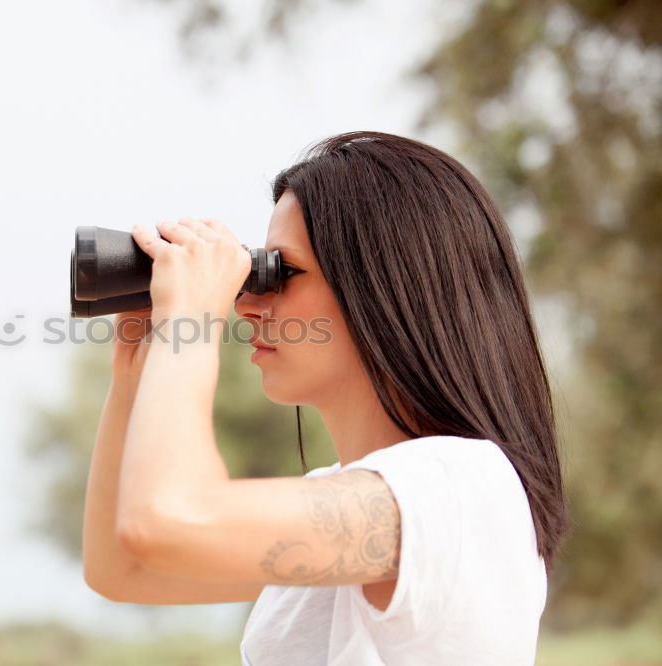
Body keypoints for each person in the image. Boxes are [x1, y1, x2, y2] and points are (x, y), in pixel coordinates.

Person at [81, 131, 571, 665]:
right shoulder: (364, 493)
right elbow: (124, 570)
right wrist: (135, 373)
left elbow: (167, 522)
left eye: (280, 273)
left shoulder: (456, 486)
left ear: (384, 286)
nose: (247, 305)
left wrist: (191, 321)